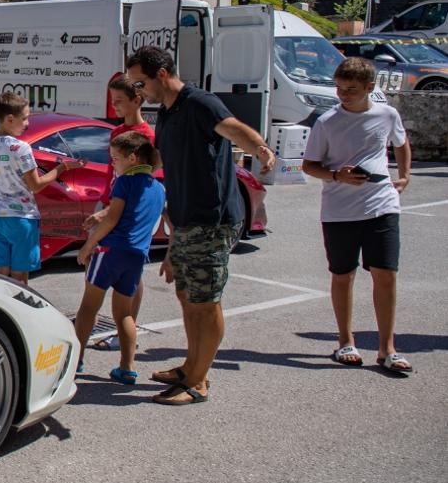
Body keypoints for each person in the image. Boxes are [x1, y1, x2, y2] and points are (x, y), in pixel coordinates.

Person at [123, 45, 274, 406]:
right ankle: (191, 366)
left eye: (140, 83)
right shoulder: (167, 113)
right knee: (187, 295)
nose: (138, 91)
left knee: (205, 301)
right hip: (187, 219)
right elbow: (168, 158)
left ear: (161, 74)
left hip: (211, 219)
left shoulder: (199, 103)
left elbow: (236, 130)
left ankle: (198, 381)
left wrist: (263, 150)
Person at [301, 56, 413, 375]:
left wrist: (404, 175)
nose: (343, 95)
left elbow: (402, 144)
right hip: (339, 211)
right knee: (342, 275)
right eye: (339, 88)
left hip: (382, 204)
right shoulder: (327, 122)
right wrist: (338, 175)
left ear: (369, 87)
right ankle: (345, 341)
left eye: (350, 89)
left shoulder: (387, 114)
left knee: (386, 274)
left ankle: (387, 348)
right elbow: (309, 165)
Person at [73, 131, 165, 384]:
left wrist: (88, 246)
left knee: (88, 309)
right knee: (124, 314)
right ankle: (127, 367)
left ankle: (76, 360)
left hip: (110, 251)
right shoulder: (158, 188)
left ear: (132, 158)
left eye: (115, 159)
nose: (112, 163)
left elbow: (113, 217)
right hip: (136, 256)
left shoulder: (124, 183)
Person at [0, 91, 81, 285]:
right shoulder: (21, 148)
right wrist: (61, 168)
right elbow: (36, 186)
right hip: (22, 220)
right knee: (20, 280)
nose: (27, 123)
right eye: (25, 118)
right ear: (10, 119)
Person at [82, 76, 158, 351]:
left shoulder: (145, 136)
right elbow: (112, 172)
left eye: (119, 102)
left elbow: (144, 180)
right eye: (112, 101)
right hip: (109, 200)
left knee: (130, 272)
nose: (114, 107)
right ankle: (120, 332)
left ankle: (126, 333)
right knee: (101, 269)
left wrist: (109, 212)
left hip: (123, 208)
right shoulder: (117, 133)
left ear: (137, 101)